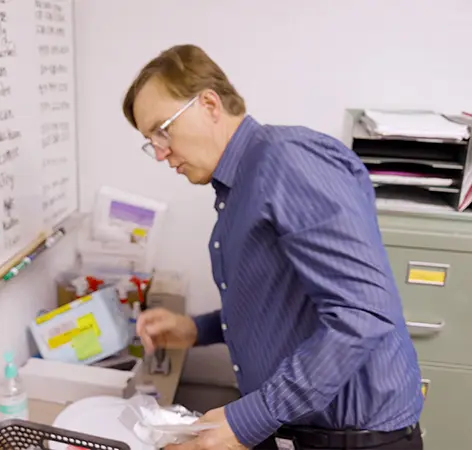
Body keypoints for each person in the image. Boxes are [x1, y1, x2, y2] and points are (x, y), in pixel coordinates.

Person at [123, 44, 424, 450]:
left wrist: (248, 420)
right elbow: (279, 303)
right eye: (150, 141)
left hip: (356, 442)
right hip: (295, 432)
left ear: (209, 104)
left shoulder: (285, 160)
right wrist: (197, 329)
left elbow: (362, 313)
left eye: (163, 130)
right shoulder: (238, 187)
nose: (160, 153)